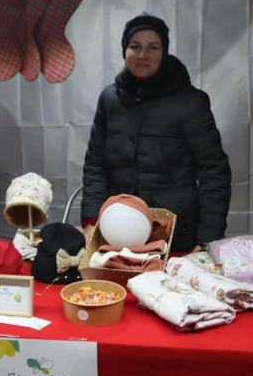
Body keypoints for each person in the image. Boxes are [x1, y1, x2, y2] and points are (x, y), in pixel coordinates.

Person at [81, 14, 231, 253]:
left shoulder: (190, 102)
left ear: (164, 52)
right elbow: (95, 165)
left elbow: (214, 172)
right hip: (117, 227)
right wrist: (91, 221)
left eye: (153, 47)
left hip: (176, 233)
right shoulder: (110, 99)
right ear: (124, 50)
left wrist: (207, 239)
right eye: (135, 46)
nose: (143, 55)